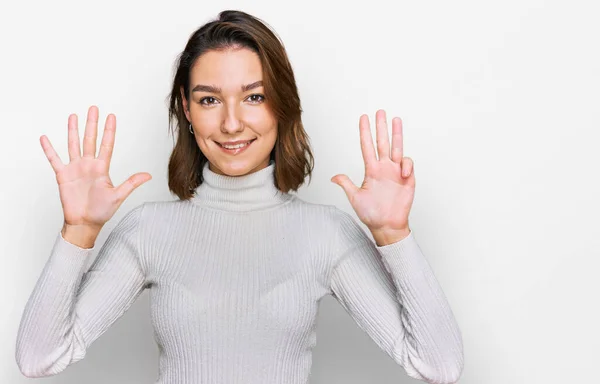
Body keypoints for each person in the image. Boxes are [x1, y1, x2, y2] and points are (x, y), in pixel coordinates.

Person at [15, 9, 464, 384]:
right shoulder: (149, 230)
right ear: (187, 111)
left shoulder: (325, 233)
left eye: (253, 97)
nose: (232, 123)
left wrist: (393, 236)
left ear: (281, 104)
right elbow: (39, 357)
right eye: (209, 100)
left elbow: (439, 364)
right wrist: (79, 231)